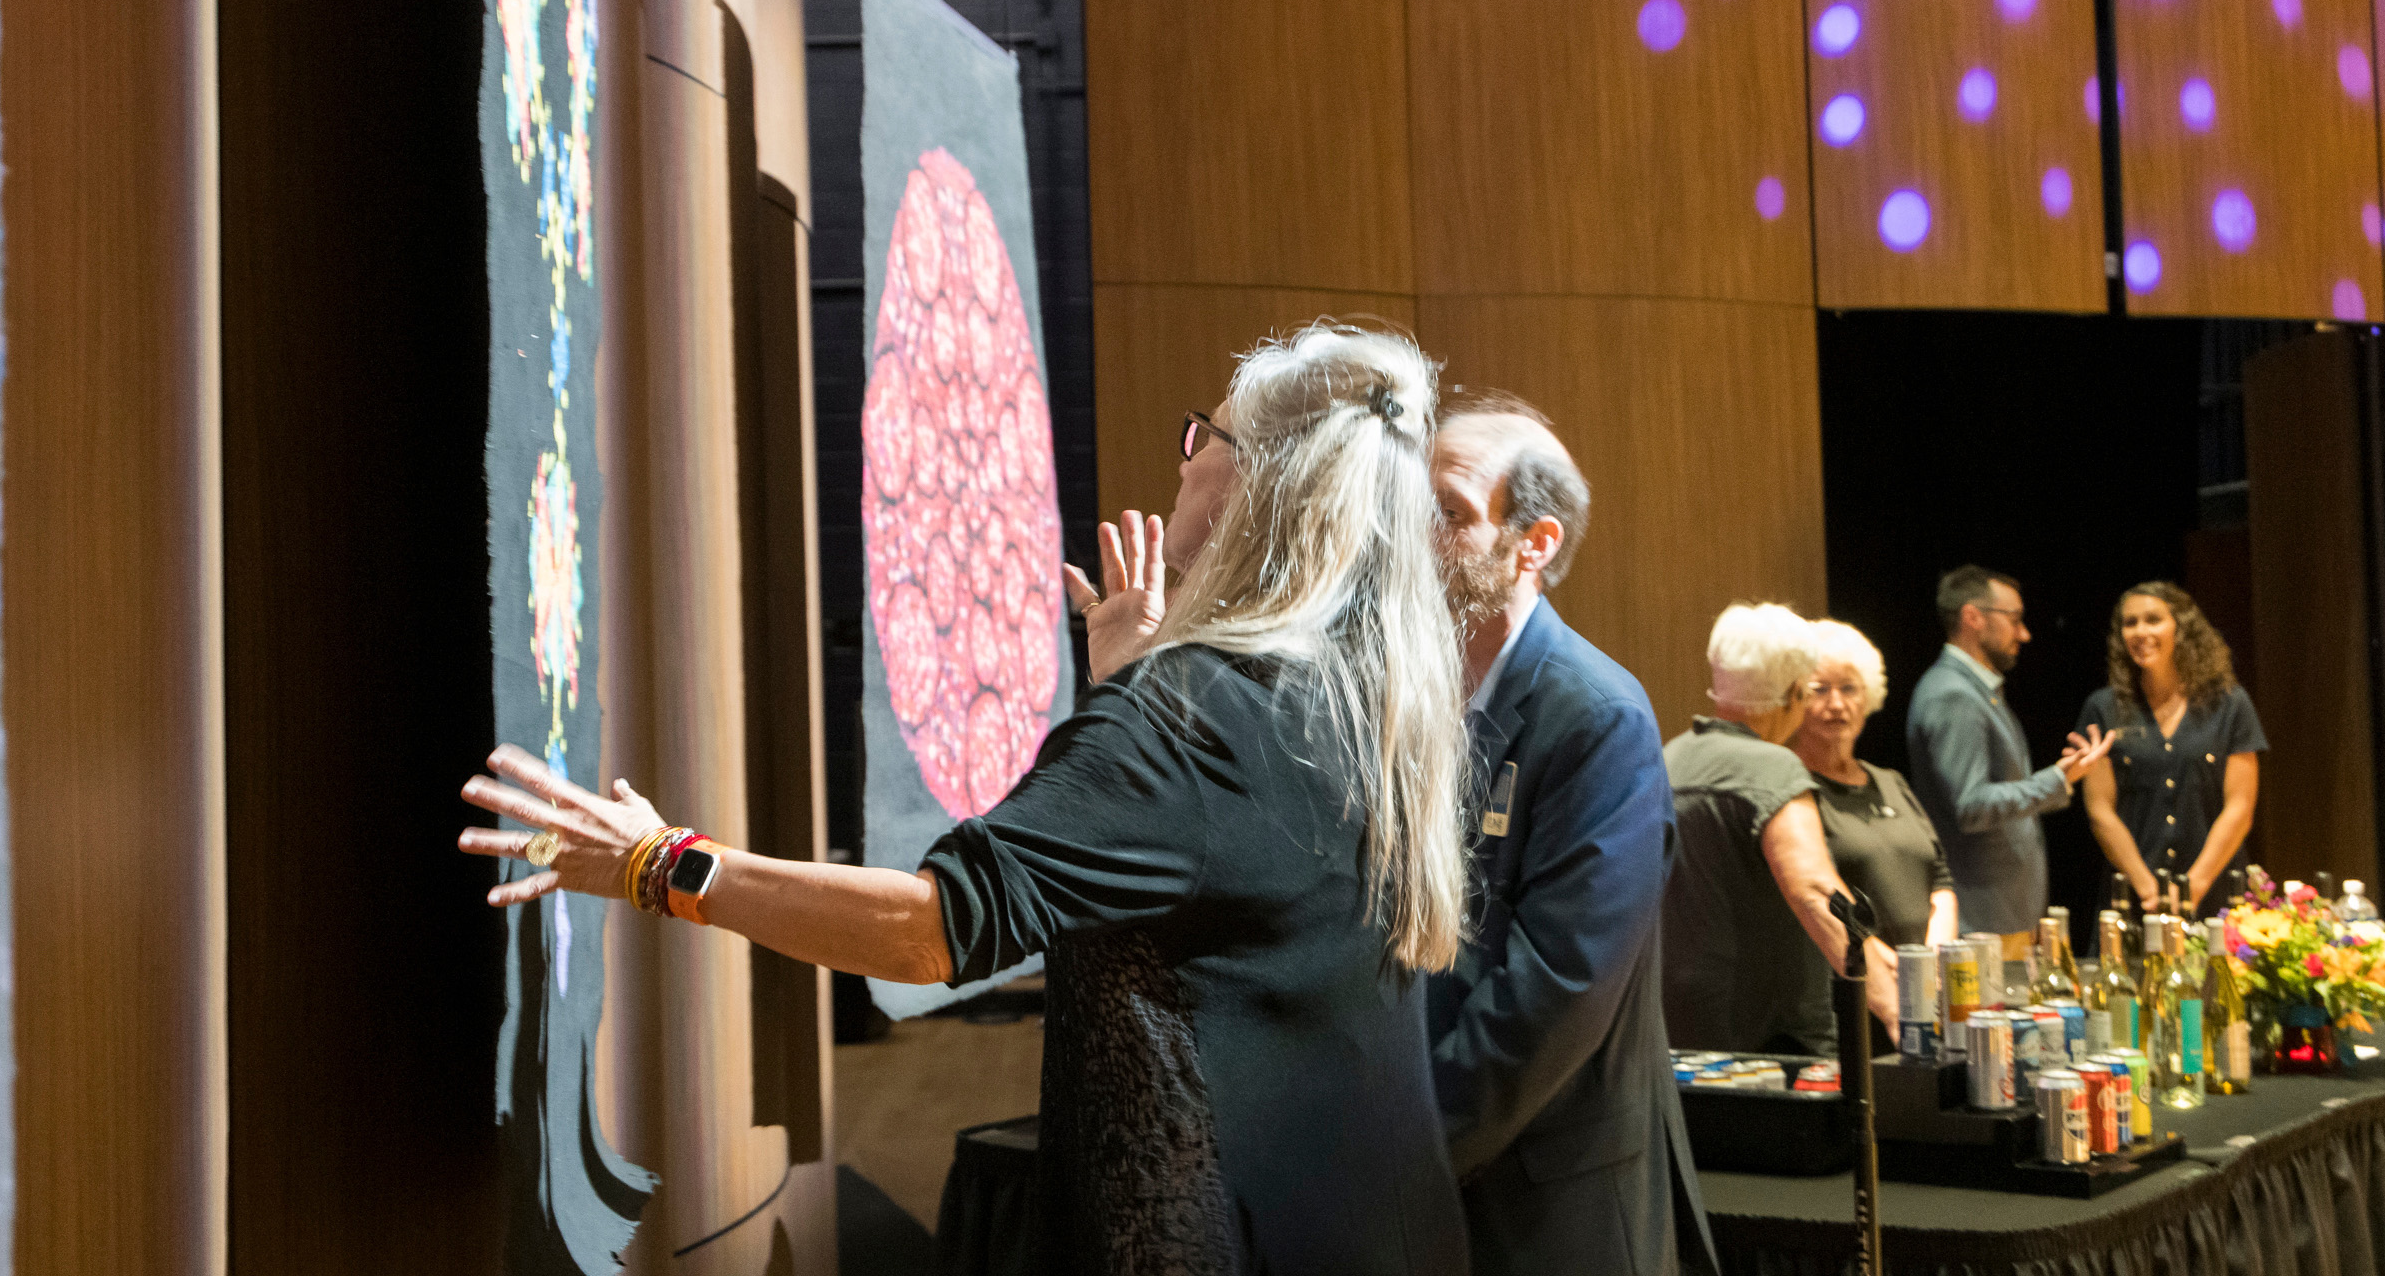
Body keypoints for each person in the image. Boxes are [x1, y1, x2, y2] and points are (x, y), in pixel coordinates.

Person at [459, 324, 1473, 1274]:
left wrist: (661, 863)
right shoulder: (1375, 694)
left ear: (1259, 481)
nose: (1185, 455)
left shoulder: (1191, 717)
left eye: (1204, 432)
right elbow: (1216, 889)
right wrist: (1132, 682)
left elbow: (934, 932)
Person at [1418, 397, 1715, 1276]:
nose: (1412, 534)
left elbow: (1554, 992)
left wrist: (1400, 1154)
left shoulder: (1598, 717)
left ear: (1533, 544)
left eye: (1449, 512)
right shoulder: (1410, 699)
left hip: (1552, 1213)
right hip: (1439, 1201)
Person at [1660, 602, 1900, 1056]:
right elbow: (1814, 892)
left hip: (1678, 1030)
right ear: (1793, 694)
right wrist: (1897, 1013)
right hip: (1773, 1043)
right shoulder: (1773, 768)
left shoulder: (1669, 758)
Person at [1904, 566, 2116, 956]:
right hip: (1981, 923)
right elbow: (1971, 806)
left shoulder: (1975, 691)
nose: (2024, 634)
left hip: (2001, 917)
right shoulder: (1953, 695)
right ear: (1973, 617)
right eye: (2014, 620)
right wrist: (2056, 779)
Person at [2075, 582, 2266, 913]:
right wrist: (2149, 890)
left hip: (2215, 892)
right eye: (2130, 623)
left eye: (2153, 620)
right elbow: (2100, 810)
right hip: (2134, 896)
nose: (2140, 631)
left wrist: (2195, 885)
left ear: (2182, 627)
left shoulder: (2230, 704)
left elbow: (2240, 807)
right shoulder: (2104, 708)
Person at [1790, 620, 1957, 951]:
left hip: (1925, 974)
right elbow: (1814, 896)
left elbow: (1940, 879)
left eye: (1849, 688)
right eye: (1819, 689)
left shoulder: (1891, 782)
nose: (1837, 704)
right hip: (1854, 981)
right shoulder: (1794, 791)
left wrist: (1932, 960)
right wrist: (1885, 968)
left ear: (1868, 697)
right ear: (1794, 698)